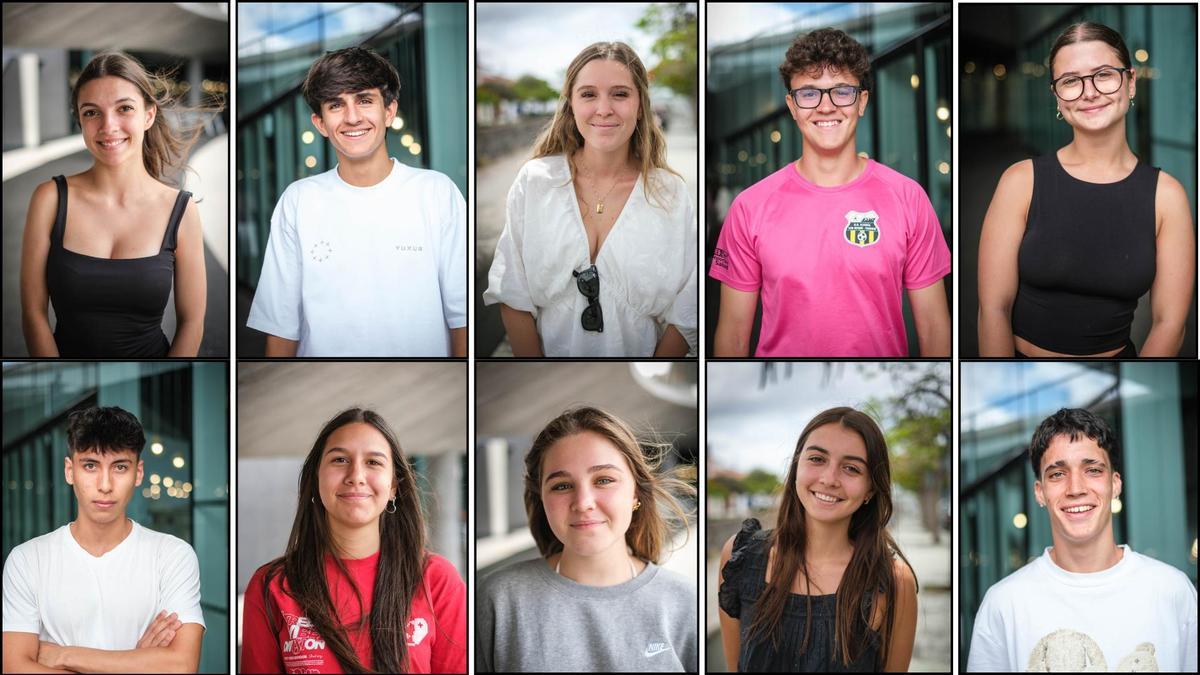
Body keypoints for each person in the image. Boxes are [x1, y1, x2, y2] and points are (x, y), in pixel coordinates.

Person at [711, 28, 950, 358]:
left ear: (862, 102)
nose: (825, 106)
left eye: (841, 91)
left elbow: (936, 330)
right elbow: (732, 338)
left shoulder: (908, 197)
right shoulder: (750, 207)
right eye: (809, 93)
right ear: (792, 106)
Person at [977, 21, 1195, 357]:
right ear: (1056, 96)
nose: (1089, 92)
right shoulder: (1020, 181)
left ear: (1131, 81)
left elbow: (1170, 325)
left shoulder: (1167, 197)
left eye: (1104, 74)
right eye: (1070, 81)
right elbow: (993, 309)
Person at [246, 47, 467, 357]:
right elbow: (281, 326)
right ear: (320, 123)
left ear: (389, 111)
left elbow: (463, 318)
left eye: (364, 100)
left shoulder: (436, 193)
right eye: (336, 105)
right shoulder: (298, 201)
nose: (352, 117)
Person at [483, 42, 696, 357]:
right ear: (570, 103)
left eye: (620, 94)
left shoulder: (669, 193)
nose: (604, 108)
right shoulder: (535, 182)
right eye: (588, 94)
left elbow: (688, 303)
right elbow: (512, 290)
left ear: (640, 105)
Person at [967, 408, 1197, 671]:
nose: (1076, 489)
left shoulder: (1172, 591)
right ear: (1040, 493)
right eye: (1057, 474)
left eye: (1093, 470)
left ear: (1115, 484)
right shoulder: (1004, 604)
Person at [241, 408, 466, 674]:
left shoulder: (436, 579)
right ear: (315, 479)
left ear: (394, 486)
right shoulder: (272, 586)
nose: (356, 476)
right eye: (339, 460)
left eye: (373, 462)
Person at [20, 50, 216, 357]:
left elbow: (193, 323)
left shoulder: (179, 210)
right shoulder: (50, 199)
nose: (108, 126)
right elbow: (33, 314)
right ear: (80, 121)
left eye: (124, 108)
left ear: (148, 115)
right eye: (91, 112)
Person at [476, 407, 698, 671]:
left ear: (636, 494)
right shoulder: (498, 599)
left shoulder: (684, 601)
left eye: (603, 480)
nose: (583, 503)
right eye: (561, 486)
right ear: (542, 499)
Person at [2, 406, 205, 672]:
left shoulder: (173, 555)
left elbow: (181, 666)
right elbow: (15, 667)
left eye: (120, 467)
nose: (105, 485)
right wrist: (135, 663)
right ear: (69, 470)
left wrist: (64, 656)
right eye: (90, 466)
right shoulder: (27, 559)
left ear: (138, 473)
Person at [718, 407, 918, 672]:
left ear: (870, 488)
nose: (829, 479)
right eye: (817, 459)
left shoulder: (894, 582)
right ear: (796, 466)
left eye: (851, 468)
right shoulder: (739, 557)